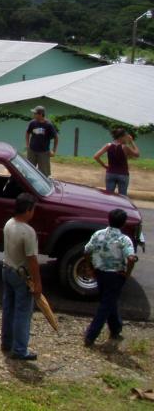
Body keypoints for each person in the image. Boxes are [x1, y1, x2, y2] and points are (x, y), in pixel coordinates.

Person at [83, 209, 138, 346]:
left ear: (108, 219)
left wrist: (89, 267)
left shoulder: (98, 234)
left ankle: (116, 327)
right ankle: (91, 335)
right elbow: (131, 258)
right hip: (115, 276)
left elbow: (87, 251)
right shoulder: (124, 239)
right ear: (123, 223)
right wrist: (127, 273)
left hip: (100, 273)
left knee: (108, 301)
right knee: (106, 305)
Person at [1, 193, 42, 361]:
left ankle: (6, 342)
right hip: (21, 274)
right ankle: (20, 349)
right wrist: (38, 284)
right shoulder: (28, 232)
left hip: (7, 269)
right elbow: (32, 260)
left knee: (8, 308)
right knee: (23, 313)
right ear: (27, 210)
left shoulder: (9, 224)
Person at [93, 128, 140, 196]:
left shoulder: (108, 145)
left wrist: (104, 166)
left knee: (108, 196)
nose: (126, 138)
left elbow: (96, 156)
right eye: (125, 136)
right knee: (122, 197)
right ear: (121, 137)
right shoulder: (125, 147)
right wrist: (132, 142)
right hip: (123, 174)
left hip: (110, 173)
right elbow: (137, 154)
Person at [25, 105, 58, 177]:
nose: (33, 115)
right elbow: (27, 133)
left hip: (44, 152)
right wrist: (27, 145)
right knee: (29, 170)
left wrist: (54, 151)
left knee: (44, 174)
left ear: (40, 114)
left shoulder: (48, 125)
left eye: (35, 113)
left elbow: (56, 138)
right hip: (32, 151)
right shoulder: (32, 123)